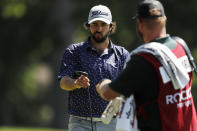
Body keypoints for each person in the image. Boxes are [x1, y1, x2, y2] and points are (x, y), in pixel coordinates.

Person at [96, 0, 197, 131]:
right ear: (164, 20)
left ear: (140, 23)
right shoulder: (181, 46)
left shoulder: (144, 58)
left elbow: (108, 93)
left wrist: (103, 83)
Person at [58, 4, 129, 131]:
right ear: (88, 26)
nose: (99, 28)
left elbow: (129, 86)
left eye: (103, 24)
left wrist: (122, 105)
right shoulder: (74, 51)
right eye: (95, 24)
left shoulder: (122, 54)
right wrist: (75, 83)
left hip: (111, 122)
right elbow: (63, 82)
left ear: (111, 27)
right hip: (79, 121)